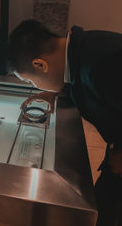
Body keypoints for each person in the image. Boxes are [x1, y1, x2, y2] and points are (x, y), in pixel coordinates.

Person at [7, 19, 122, 226]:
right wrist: (56, 92)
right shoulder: (83, 50)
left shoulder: (104, 63)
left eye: (30, 81)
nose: (34, 86)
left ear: (40, 65)